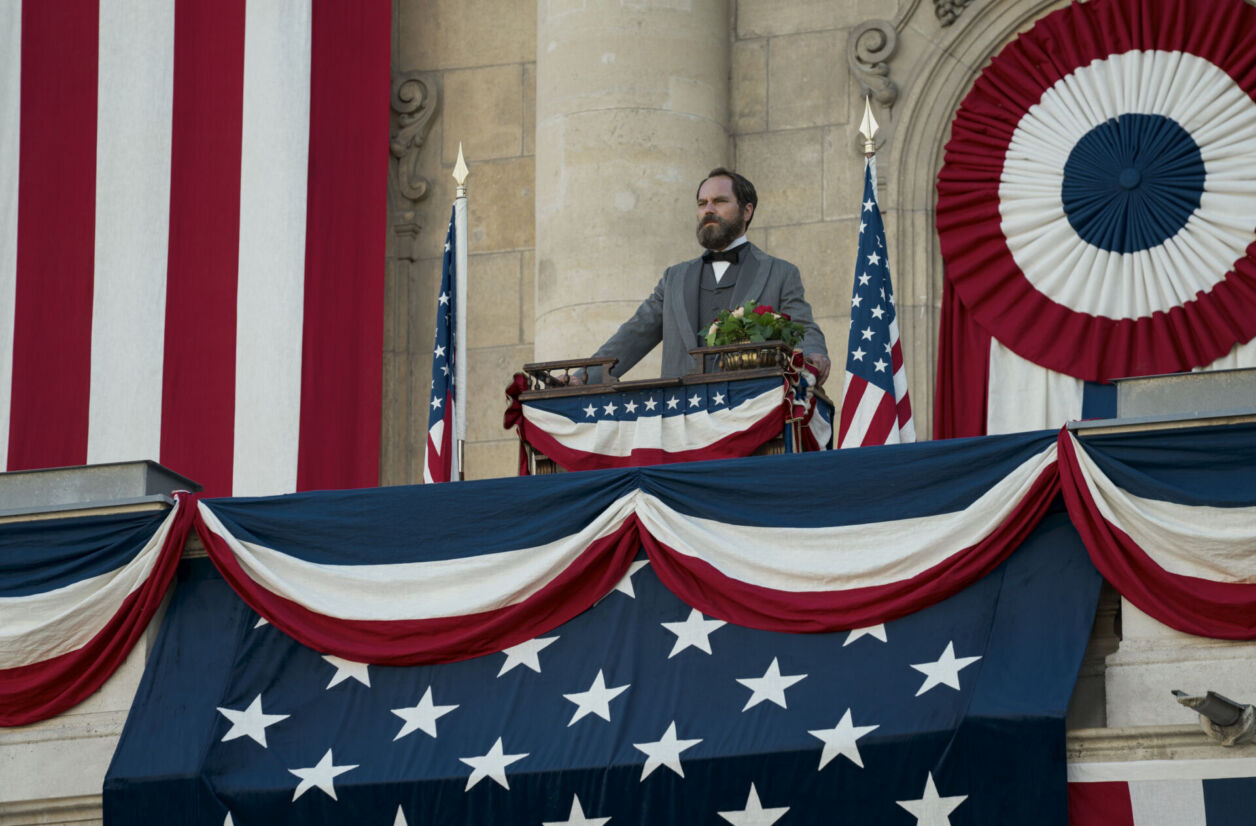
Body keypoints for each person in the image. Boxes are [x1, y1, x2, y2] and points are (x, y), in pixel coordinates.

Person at [577, 167, 830, 385]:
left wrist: (814, 355)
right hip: (681, 420)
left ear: (747, 211)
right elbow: (635, 333)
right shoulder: (674, 278)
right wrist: (583, 377)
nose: (708, 209)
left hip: (750, 414)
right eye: (702, 203)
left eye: (719, 201)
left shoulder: (781, 273)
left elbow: (802, 328)